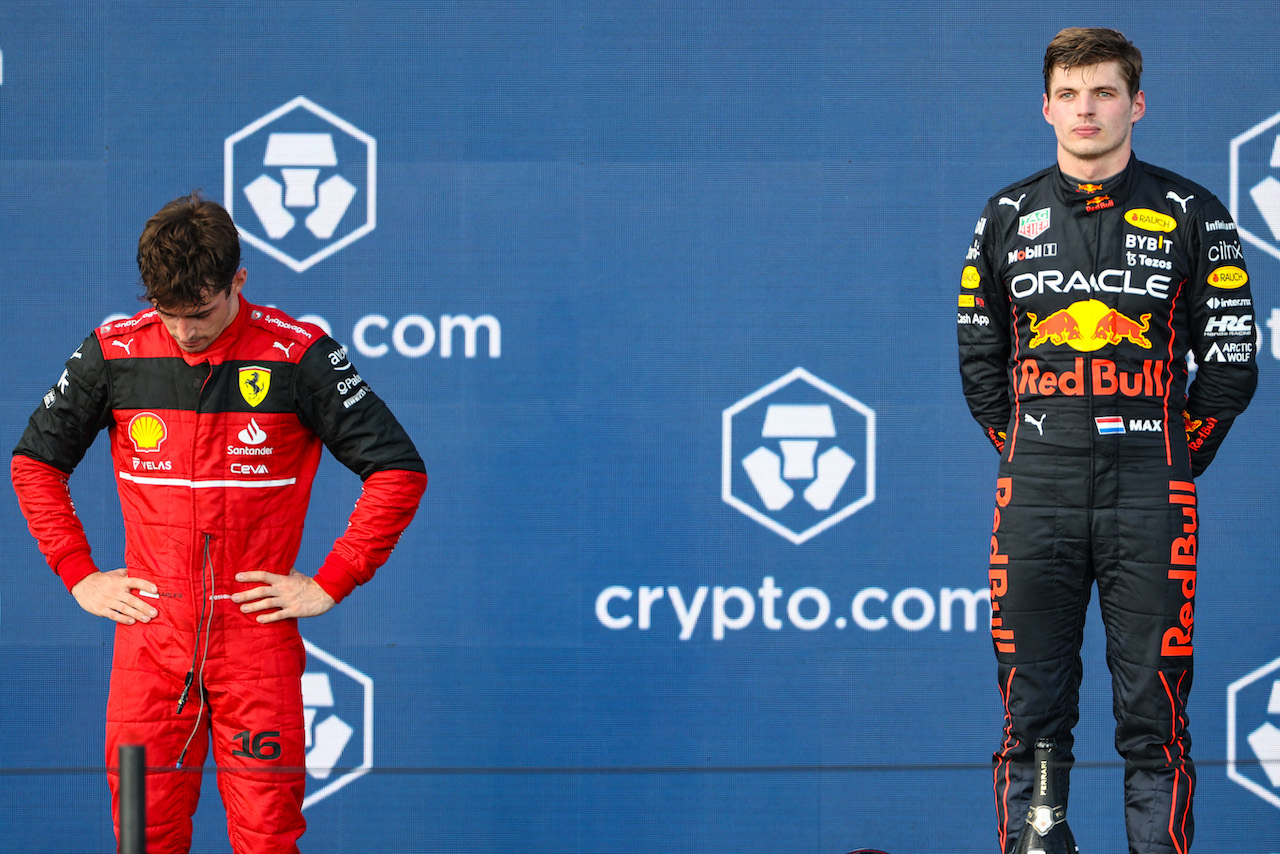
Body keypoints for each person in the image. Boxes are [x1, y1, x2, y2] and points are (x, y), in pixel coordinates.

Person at [11, 192, 427, 853]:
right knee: (142, 839)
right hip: (149, 647)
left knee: (267, 840)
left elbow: (398, 470)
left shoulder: (298, 355)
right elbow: (35, 464)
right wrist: (78, 575)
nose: (184, 332)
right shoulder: (114, 352)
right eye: (168, 314)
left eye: (199, 312)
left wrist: (332, 579)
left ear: (238, 280)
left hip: (253, 642)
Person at [957, 27, 1256, 854]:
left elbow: (1231, 364)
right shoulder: (1006, 215)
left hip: (1152, 495)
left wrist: (1163, 452)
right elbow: (980, 362)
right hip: (1037, 490)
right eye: (1071, 94)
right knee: (1032, 714)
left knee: (1154, 717)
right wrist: (1036, 444)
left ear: (1137, 104)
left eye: (1105, 93)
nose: (1086, 109)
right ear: (1045, 105)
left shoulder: (1195, 212)